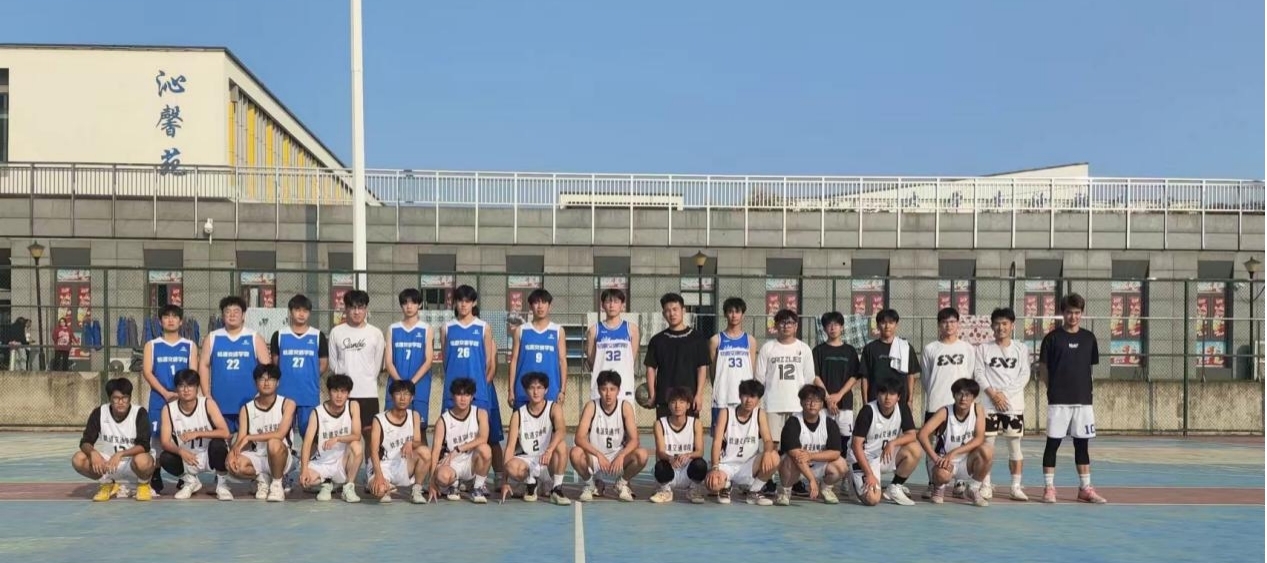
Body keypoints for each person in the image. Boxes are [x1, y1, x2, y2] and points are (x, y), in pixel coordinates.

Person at [1037, 293, 1107, 504]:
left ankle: (1085, 488)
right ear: (1062, 313)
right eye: (1069, 312)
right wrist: (1051, 389)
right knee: (1053, 444)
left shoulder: (1089, 338)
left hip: (1083, 402)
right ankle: (1049, 488)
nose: (1073, 317)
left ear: (1082, 314)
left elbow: (1090, 369)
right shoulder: (1052, 338)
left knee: (1082, 446)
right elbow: (1043, 368)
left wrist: (1086, 391)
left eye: (1077, 313)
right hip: (1058, 401)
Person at [441, 285, 504, 489]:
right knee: (451, 437)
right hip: (453, 392)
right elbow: (445, 360)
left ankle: (479, 480)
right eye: (460, 300)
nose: (463, 304)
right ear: (455, 303)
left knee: (481, 439)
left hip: (478, 393)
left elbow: (488, 363)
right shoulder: (447, 328)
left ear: (474, 303)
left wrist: (480, 386)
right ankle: (454, 477)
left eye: (467, 301)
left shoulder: (483, 327)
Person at [918, 307, 977, 499]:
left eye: (952, 322)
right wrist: (937, 393)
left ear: (958, 324)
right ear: (939, 325)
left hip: (960, 405)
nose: (948, 325)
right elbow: (926, 378)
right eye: (944, 322)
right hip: (936, 403)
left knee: (959, 441)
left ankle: (959, 481)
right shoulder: (930, 349)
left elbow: (969, 375)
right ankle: (933, 482)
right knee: (933, 444)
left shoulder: (967, 349)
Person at [974, 307, 1031, 501]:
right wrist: (993, 394)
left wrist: (1003, 395)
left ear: (1012, 325)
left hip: (1012, 406)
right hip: (988, 405)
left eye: (1005, 323)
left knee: (1014, 447)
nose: (1001, 327)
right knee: (987, 446)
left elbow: (1024, 375)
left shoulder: (1021, 348)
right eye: (997, 324)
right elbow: (979, 373)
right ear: (992, 326)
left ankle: (1015, 487)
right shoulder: (983, 348)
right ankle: (985, 485)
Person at [141, 304, 197, 494]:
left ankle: (185, 475)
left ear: (181, 322)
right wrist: (165, 393)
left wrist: (183, 393)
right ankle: (155, 475)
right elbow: (147, 372)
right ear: (160, 321)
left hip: (183, 398)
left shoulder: (189, 345)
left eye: (175, 317)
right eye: (166, 317)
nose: (171, 320)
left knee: (182, 436)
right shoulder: (152, 345)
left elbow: (193, 373)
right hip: (159, 398)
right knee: (157, 438)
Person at [71, 377, 156, 501]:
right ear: (110, 399)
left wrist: (121, 454)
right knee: (78, 459)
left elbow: (144, 446)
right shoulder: (99, 412)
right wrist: (93, 453)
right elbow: (85, 442)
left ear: (130, 398)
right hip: (109, 463)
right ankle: (107, 483)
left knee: (143, 460)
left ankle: (143, 485)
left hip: (132, 462)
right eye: (116, 398)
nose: (121, 402)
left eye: (124, 398)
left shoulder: (139, 413)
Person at [570, 370, 649, 502]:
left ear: (618, 390)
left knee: (642, 454)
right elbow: (579, 438)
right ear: (598, 390)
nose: (608, 394)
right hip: (595, 458)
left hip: (617, 458)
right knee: (575, 453)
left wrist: (622, 455)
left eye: (612, 389)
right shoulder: (591, 406)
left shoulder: (625, 407)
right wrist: (598, 455)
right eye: (604, 389)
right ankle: (590, 484)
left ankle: (621, 483)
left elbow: (635, 440)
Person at [199, 296, 271, 434]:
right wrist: (206, 394)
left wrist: (262, 394)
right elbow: (203, 365)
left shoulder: (254, 337)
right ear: (222, 315)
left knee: (246, 443)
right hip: (219, 403)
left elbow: (267, 369)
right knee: (220, 443)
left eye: (236, 311)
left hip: (250, 403)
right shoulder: (212, 337)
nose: (232, 315)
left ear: (243, 315)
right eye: (228, 311)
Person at [226, 364, 297, 502]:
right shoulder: (246, 409)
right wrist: (231, 454)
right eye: (262, 379)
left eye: (271, 379)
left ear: (278, 382)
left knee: (273, 443)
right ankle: (262, 479)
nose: (266, 383)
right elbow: (241, 439)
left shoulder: (288, 404)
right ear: (255, 383)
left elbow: (280, 434)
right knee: (232, 465)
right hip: (258, 456)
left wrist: (250, 437)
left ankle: (277, 484)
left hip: (282, 456)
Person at [159, 369, 233, 500]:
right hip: (186, 457)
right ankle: (190, 481)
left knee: (218, 444)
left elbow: (225, 432)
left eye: (190, 385)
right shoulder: (168, 409)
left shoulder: (207, 404)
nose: (186, 390)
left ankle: (222, 484)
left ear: (197, 388)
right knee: (165, 457)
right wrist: (181, 451)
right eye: (182, 386)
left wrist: (197, 433)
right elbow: (165, 442)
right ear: (176, 389)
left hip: (208, 455)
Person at [916, 378, 992, 507]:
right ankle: (939, 488)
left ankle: (973, 488)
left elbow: (979, 438)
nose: (963, 398)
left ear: (974, 397)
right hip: (944, 463)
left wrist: (953, 453)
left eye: (967, 395)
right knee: (942, 475)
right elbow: (922, 434)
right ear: (953, 395)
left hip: (965, 462)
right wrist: (936, 458)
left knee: (987, 450)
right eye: (959, 394)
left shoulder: (977, 409)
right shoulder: (944, 412)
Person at [848, 377, 921, 507]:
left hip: (883, 455)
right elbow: (856, 446)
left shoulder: (902, 408)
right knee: (872, 499)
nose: (887, 398)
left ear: (898, 397)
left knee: (914, 449)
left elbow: (912, 435)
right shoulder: (868, 411)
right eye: (883, 393)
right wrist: (869, 474)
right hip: (864, 458)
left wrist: (893, 443)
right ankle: (853, 480)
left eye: (892, 394)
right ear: (877, 395)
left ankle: (894, 487)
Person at [500, 372, 571, 505]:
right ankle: (531, 484)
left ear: (546, 390)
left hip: (547, 460)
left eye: (539, 388)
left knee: (561, 445)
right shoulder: (518, 415)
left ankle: (556, 489)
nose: (536, 392)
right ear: (526, 390)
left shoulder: (554, 408)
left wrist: (549, 450)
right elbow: (510, 448)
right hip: (528, 462)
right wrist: (504, 482)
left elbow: (561, 430)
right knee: (510, 465)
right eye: (532, 388)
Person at [705, 379, 778, 505]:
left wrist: (767, 453)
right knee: (713, 484)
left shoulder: (759, 414)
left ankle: (754, 491)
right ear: (739, 396)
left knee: (774, 457)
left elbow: (768, 440)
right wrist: (715, 467)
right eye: (745, 396)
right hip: (726, 465)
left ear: (758, 400)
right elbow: (716, 442)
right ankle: (726, 485)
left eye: (753, 396)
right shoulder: (726, 413)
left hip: (748, 466)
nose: (749, 400)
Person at [811, 310, 861, 496]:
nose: (832, 328)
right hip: (822, 405)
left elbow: (855, 376)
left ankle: (845, 477)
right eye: (829, 325)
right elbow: (815, 375)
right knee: (822, 441)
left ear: (842, 327)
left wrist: (839, 395)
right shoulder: (818, 351)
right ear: (824, 328)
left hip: (844, 405)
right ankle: (820, 477)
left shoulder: (850, 351)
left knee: (845, 442)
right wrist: (827, 398)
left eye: (836, 324)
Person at [774, 385, 847, 506]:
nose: (812, 404)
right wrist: (811, 480)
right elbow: (795, 453)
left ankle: (826, 488)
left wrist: (811, 456)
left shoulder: (829, 423)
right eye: (808, 400)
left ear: (822, 404)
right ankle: (785, 491)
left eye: (817, 401)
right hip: (798, 466)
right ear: (801, 403)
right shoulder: (793, 422)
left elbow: (835, 452)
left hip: (817, 464)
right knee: (789, 460)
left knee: (841, 464)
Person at [755, 309, 816, 451]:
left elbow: (809, 380)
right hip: (772, 405)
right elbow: (759, 378)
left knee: (794, 446)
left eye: (790, 323)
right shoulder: (767, 348)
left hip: (796, 406)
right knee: (771, 446)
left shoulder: (804, 349)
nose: (786, 326)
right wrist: (758, 403)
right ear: (776, 325)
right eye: (782, 322)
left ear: (796, 326)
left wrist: (806, 403)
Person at [329, 290, 386, 440]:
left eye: (360, 307)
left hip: (368, 393)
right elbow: (334, 364)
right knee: (345, 437)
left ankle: (370, 458)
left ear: (366, 309)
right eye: (352, 307)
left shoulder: (375, 333)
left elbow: (377, 365)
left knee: (370, 436)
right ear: (346, 308)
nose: (356, 312)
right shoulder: (336, 332)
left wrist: (367, 379)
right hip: (344, 395)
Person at [271, 294, 329, 440]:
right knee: (283, 435)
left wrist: (309, 375)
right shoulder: (279, 335)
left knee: (310, 435)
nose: (301, 314)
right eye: (297, 310)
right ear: (290, 312)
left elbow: (323, 364)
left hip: (308, 394)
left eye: (305, 310)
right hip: (284, 394)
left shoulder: (318, 336)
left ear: (309, 313)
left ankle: (308, 456)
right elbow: (275, 363)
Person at [298, 374, 363, 502]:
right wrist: (304, 470)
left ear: (348, 393)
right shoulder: (317, 413)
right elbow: (307, 443)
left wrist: (337, 439)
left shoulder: (353, 406)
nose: (339, 396)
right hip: (322, 463)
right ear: (329, 392)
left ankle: (348, 487)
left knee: (357, 445)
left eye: (343, 391)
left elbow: (357, 435)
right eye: (335, 391)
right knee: (306, 481)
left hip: (342, 462)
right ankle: (326, 483)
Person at [645, 292, 712, 417]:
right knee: (662, 430)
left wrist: (699, 395)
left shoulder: (698, 338)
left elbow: (702, 368)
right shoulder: (657, 340)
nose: (672, 314)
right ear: (663, 314)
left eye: (675, 309)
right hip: (665, 400)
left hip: (689, 400)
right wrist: (652, 394)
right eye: (668, 311)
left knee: (692, 430)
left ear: (683, 311)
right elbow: (650, 368)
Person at [368, 379, 433, 504]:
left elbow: (418, 441)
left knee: (425, 452)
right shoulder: (379, 419)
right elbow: (374, 451)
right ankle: (383, 485)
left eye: (407, 394)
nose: (402, 398)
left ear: (412, 398)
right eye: (398, 393)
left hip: (403, 464)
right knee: (380, 491)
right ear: (391, 397)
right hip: (384, 465)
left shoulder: (414, 415)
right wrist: (379, 476)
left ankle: (417, 489)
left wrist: (410, 443)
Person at [431, 377, 492, 504]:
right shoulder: (443, 420)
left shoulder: (480, 413)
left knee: (485, 449)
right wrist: (432, 481)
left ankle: (478, 487)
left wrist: (459, 449)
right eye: (459, 394)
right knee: (442, 476)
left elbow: (483, 438)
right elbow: (435, 451)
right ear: (452, 396)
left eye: (467, 395)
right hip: (451, 462)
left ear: (472, 397)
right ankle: (453, 484)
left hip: (471, 461)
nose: (463, 399)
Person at [509, 288, 568, 409]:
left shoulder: (558, 331)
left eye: (544, 302)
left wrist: (562, 390)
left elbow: (562, 361)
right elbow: (514, 360)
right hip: (523, 392)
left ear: (549, 306)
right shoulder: (521, 330)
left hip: (551, 392)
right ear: (530, 306)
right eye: (536, 302)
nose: (540, 306)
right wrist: (510, 390)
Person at [384, 288, 434, 426]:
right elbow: (388, 361)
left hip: (419, 385)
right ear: (401, 305)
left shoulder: (427, 329)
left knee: (419, 428)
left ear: (420, 304)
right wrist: (401, 384)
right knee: (391, 425)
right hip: (396, 384)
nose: (409, 306)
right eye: (405, 303)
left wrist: (411, 383)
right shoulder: (392, 329)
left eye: (413, 303)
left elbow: (428, 361)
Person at [650, 387, 708, 504]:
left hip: (687, 470)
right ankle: (665, 490)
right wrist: (671, 458)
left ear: (688, 405)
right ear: (668, 405)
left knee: (701, 464)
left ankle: (694, 489)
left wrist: (688, 455)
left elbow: (700, 451)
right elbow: (660, 452)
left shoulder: (696, 423)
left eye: (681, 402)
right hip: (670, 469)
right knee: (660, 466)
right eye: (673, 402)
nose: (677, 406)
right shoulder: (660, 424)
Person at [709, 297, 758, 433]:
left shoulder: (750, 340)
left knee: (743, 436)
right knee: (721, 437)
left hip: (744, 397)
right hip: (723, 397)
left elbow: (752, 370)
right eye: (730, 311)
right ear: (725, 314)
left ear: (743, 315)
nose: (734, 315)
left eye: (737, 312)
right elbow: (713, 371)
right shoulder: (716, 340)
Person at [859, 308, 920, 407]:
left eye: (891, 323)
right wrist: (865, 403)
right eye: (883, 323)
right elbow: (864, 378)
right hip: (875, 402)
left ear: (896, 325)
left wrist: (910, 400)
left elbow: (911, 375)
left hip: (900, 403)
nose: (887, 326)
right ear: (878, 325)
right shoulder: (869, 349)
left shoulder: (905, 347)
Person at [586, 288, 639, 402]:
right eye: (608, 301)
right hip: (601, 387)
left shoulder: (632, 329)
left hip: (625, 386)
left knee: (626, 413)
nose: (611, 305)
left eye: (616, 302)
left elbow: (632, 358)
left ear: (622, 305)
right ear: (602, 305)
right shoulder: (594, 330)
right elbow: (591, 360)